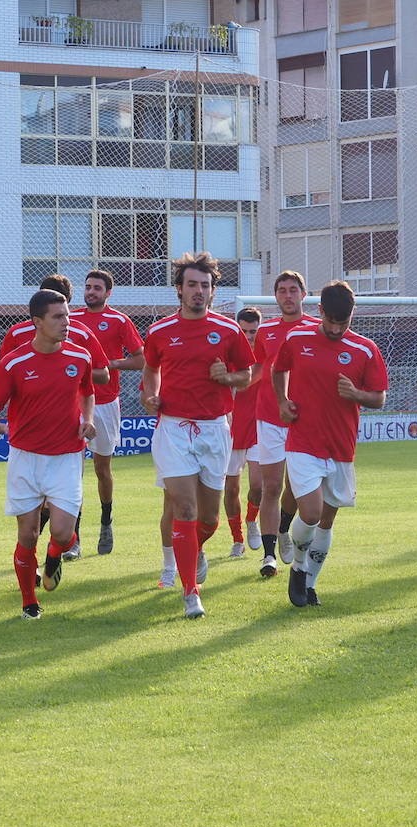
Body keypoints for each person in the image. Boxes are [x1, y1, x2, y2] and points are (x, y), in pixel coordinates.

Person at [0, 289, 109, 619]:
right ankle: (29, 603)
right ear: (37, 322)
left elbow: (88, 392)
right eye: (57, 317)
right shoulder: (14, 361)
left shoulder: (80, 357)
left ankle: (53, 558)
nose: (66, 322)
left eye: (66, 315)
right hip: (25, 458)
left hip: (67, 456)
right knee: (27, 534)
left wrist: (89, 420)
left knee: (64, 535)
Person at [142, 252, 255, 618]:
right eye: (192, 285)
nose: (199, 291)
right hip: (174, 429)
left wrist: (227, 378)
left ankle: (196, 548)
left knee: (208, 520)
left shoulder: (228, 330)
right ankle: (191, 593)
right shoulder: (159, 331)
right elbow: (151, 369)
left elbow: (247, 375)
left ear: (211, 291)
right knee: (184, 508)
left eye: (205, 286)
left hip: (214, 430)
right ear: (179, 289)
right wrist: (150, 394)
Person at [273, 281, 389, 606]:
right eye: (332, 321)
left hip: (341, 447)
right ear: (320, 311)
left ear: (353, 315)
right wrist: (282, 402)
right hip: (303, 441)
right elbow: (278, 369)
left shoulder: (366, 349)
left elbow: (379, 397)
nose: (337, 329)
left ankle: (310, 584)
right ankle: (298, 568)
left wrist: (357, 395)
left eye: (344, 322)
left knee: (327, 520)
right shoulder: (297, 338)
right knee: (310, 512)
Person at [65, 269, 146, 559]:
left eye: (97, 288)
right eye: (88, 287)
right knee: (73, 471)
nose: (91, 292)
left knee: (102, 469)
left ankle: (106, 521)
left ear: (108, 292)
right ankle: (73, 538)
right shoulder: (70, 320)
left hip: (106, 403)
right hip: (73, 404)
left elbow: (141, 359)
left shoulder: (119, 320)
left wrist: (109, 364)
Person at [252, 271, 317, 578]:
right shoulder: (265, 332)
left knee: (296, 487)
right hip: (269, 417)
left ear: (304, 294)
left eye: (293, 290)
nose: (288, 296)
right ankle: (268, 556)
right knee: (271, 486)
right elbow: (255, 369)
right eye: (282, 291)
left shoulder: (318, 328)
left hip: (305, 420)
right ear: (275, 296)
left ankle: (283, 529)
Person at [225, 306, 263, 559]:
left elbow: (248, 379)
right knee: (231, 490)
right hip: (230, 431)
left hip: (259, 428)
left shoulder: (264, 354)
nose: (248, 336)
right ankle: (237, 539)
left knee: (259, 486)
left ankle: (252, 521)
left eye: (253, 331)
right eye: (244, 331)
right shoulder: (227, 353)